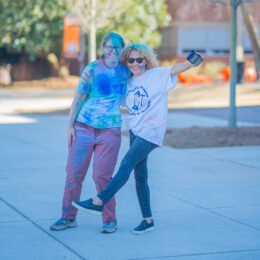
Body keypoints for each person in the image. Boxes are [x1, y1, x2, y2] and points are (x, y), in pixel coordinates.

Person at [72, 43, 202, 234]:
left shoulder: (156, 75)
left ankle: (98, 201)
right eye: (131, 60)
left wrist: (192, 62)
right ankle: (148, 220)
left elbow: (176, 68)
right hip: (135, 131)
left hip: (151, 132)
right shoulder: (129, 82)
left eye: (139, 60)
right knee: (140, 177)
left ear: (146, 60)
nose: (135, 64)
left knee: (127, 162)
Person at [50, 32, 129, 233]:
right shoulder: (93, 69)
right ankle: (68, 218)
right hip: (83, 128)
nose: (113, 50)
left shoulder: (126, 70)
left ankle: (109, 220)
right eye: (109, 46)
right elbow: (77, 99)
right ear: (103, 48)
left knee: (102, 176)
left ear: (122, 50)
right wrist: (70, 127)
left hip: (110, 132)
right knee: (74, 174)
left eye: (117, 47)